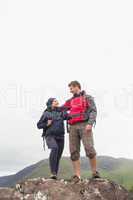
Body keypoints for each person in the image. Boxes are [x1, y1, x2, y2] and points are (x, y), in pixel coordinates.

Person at [62, 81, 101, 183]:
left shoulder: (88, 97)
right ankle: (77, 175)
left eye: (71, 88)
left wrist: (90, 123)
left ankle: (94, 172)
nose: (70, 90)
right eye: (69, 88)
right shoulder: (69, 101)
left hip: (85, 125)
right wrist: (52, 109)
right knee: (73, 151)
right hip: (72, 127)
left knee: (89, 148)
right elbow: (62, 109)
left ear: (77, 87)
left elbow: (93, 110)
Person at [37, 98, 70, 180]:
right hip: (50, 135)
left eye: (57, 101)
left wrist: (68, 111)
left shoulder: (61, 111)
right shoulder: (46, 113)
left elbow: (68, 117)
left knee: (58, 156)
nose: (57, 102)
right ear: (50, 103)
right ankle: (53, 173)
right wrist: (46, 124)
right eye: (55, 101)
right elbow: (38, 125)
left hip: (61, 136)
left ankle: (55, 175)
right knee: (54, 148)